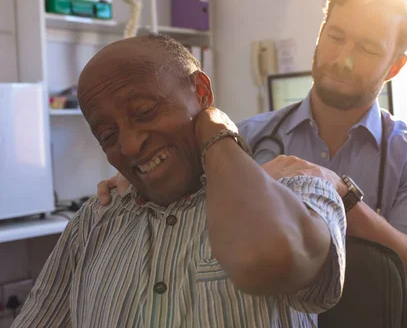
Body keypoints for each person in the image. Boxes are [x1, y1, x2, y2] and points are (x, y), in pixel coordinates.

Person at [98, 0, 407, 325]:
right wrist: (140, 178)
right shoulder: (242, 141)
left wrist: (341, 193)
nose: (343, 57)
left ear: (394, 67)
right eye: (335, 36)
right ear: (320, 34)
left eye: (367, 48)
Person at [13, 35, 347, 328]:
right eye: (107, 135)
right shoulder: (94, 222)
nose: (128, 145)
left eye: (144, 111)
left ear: (201, 92)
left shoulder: (297, 190)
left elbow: (266, 258)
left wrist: (217, 132)